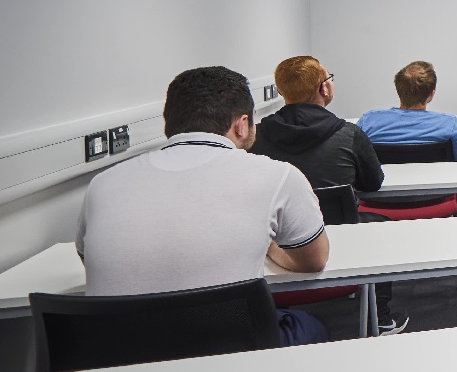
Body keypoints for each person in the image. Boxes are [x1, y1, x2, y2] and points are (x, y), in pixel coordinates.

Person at [77, 66, 331, 344]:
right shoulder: (278, 175)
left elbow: (89, 260)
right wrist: (270, 247)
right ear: (241, 124)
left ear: (169, 123)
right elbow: (312, 261)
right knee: (311, 326)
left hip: (115, 359)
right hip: (229, 356)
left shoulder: (103, 183)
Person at [250, 56, 408, 335]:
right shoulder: (349, 133)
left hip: (277, 243)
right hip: (341, 236)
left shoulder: (256, 137)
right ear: (324, 90)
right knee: (380, 224)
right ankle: (380, 317)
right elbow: (373, 183)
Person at [357, 61, 457, 162]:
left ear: (398, 89)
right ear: (431, 94)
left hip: (382, 188)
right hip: (436, 187)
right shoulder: (450, 125)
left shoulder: (368, 122)